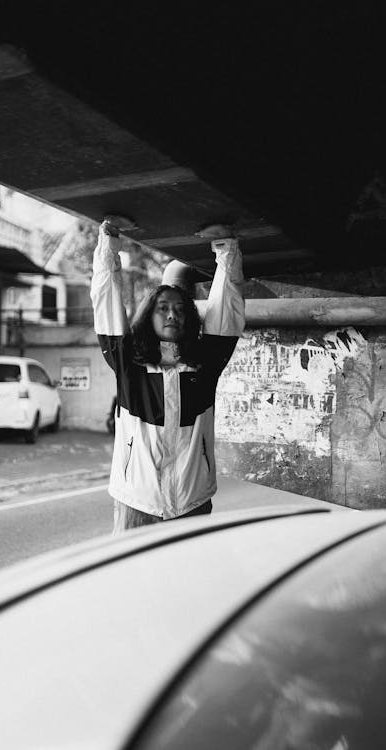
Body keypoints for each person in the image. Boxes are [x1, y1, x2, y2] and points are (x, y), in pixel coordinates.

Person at [90, 220, 245, 533]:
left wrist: (227, 252)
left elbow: (226, 312)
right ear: (150, 315)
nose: (172, 314)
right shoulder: (128, 362)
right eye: (163, 308)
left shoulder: (204, 365)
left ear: (189, 319)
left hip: (193, 501)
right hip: (137, 502)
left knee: (188, 580)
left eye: (180, 309)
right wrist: (108, 246)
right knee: (134, 580)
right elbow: (105, 303)